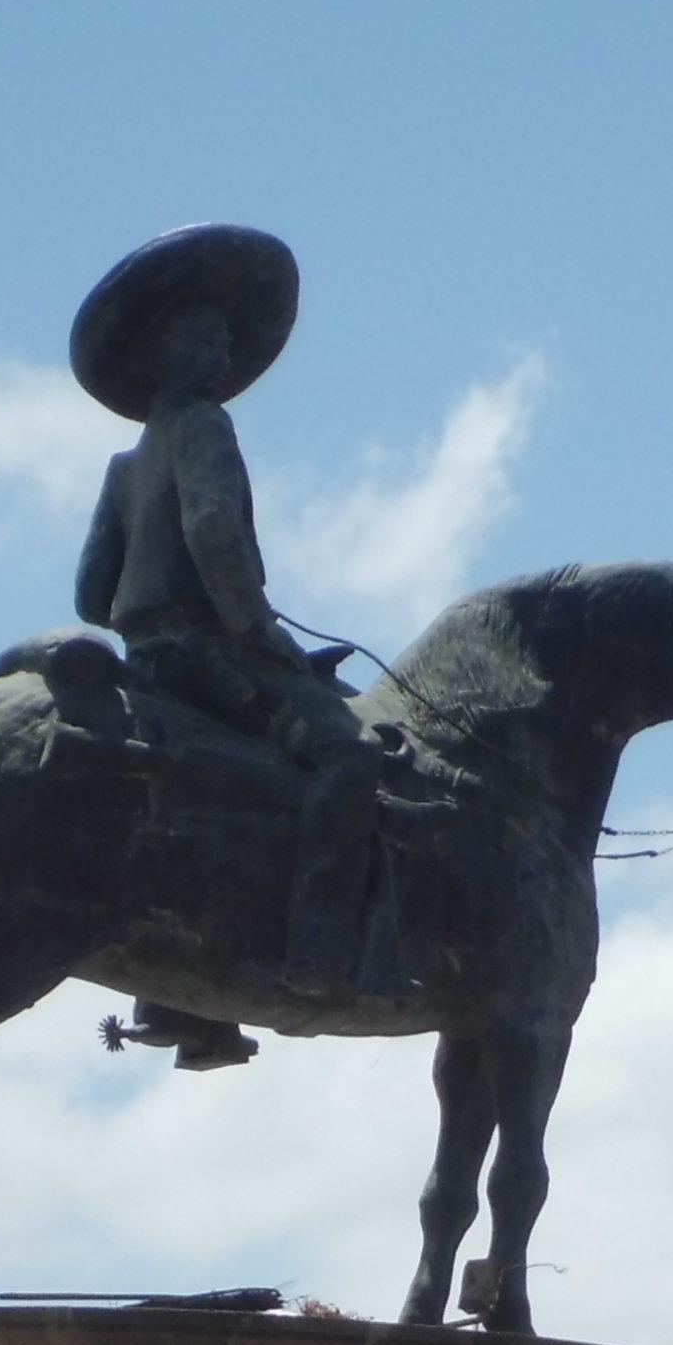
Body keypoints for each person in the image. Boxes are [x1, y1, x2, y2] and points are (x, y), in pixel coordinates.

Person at [63, 225, 408, 1067]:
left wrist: (157, 617)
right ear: (165, 353)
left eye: (224, 336)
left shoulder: (123, 465)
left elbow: (89, 597)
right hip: (209, 654)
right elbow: (215, 528)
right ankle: (317, 956)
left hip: (150, 662)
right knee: (349, 755)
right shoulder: (203, 428)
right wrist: (257, 632)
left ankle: (179, 996)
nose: (221, 352)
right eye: (203, 336)